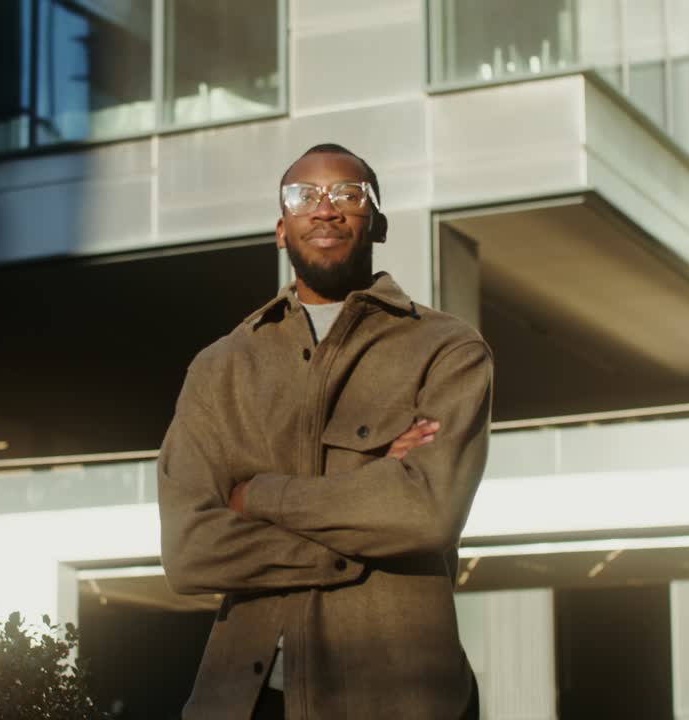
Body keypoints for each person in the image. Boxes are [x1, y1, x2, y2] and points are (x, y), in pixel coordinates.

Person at [158, 143, 493, 719]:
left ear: (378, 223)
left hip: (398, 701)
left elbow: (427, 512)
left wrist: (257, 496)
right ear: (282, 228)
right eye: (304, 196)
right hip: (243, 703)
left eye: (348, 194)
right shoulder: (219, 368)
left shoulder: (447, 349)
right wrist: (372, 503)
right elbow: (190, 552)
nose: (325, 208)